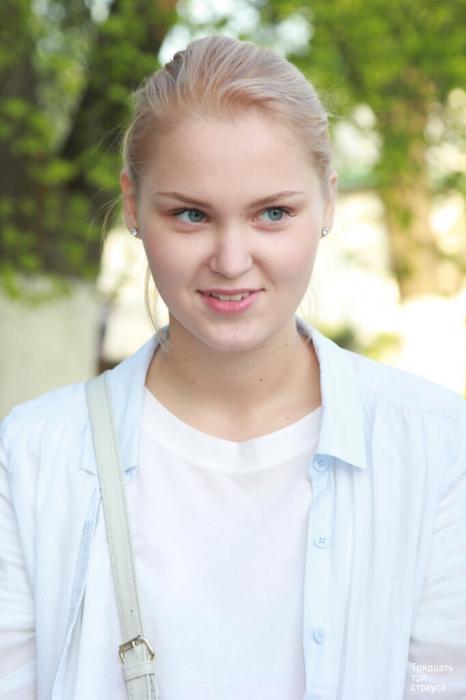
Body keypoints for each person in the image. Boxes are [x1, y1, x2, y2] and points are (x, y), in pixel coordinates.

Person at [0, 34, 465, 700]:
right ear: (132, 205)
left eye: (273, 213)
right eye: (191, 214)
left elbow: (445, 681)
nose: (231, 259)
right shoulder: (31, 457)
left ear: (329, 202)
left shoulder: (437, 445)